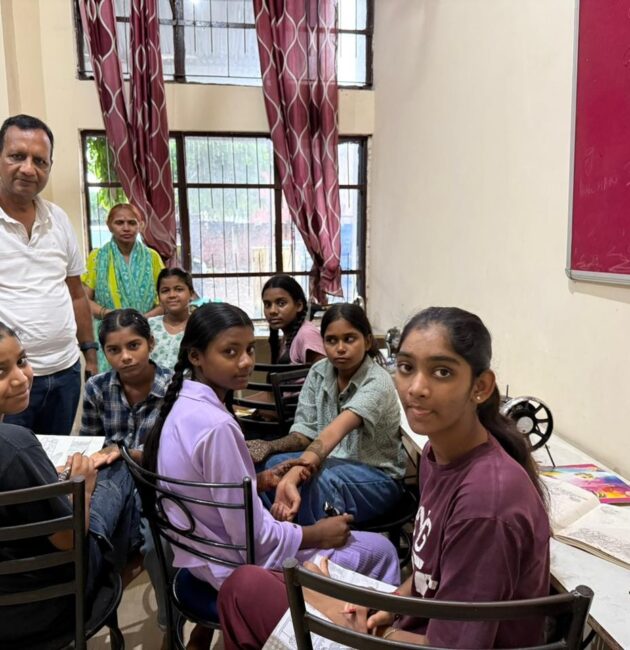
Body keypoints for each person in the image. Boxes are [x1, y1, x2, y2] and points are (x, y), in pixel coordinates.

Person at [219, 306, 551, 649]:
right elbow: (427, 571)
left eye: (442, 372)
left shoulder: (485, 504)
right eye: (406, 368)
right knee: (259, 581)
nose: (416, 388)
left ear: (480, 387)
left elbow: (454, 646)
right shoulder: (436, 454)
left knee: (244, 592)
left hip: (425, 639)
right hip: (414, 620)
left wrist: (363, 629)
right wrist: (387, 606)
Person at [142, 303, 401, 650]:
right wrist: (316, 534)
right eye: (230, 352)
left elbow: (217, 494)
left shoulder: (180, 406)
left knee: (300, 475)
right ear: (196, 356)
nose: (246, 361)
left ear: (368, 341)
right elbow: (254, 540)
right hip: (234, 563)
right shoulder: (219, 426)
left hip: (205, 556)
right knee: (382, 550)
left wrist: (264, 481)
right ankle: (340, 634)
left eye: (250, 350)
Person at [0, 321, 140, 649]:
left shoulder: (16, 450)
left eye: (22, 361)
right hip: (40, 610)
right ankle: (113, 572)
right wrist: (84, 487)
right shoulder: (15, 445)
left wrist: (49, 477)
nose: (20, 378)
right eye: (1, 371)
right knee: (116, 467)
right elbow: (68, 539)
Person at [250, 303, 406, 525]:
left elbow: (334, 431)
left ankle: (314, 540)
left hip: (378, 478)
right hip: (331, 462)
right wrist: (270, 446)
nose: (340, 348)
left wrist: (297, 471)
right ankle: (282, 530)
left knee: (318, 480)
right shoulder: (319, 371)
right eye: (331, 340)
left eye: (349, 339)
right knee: (271, 466)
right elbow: (305, 432)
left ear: (367, 341)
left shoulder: (377, 381)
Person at [0, 114, 97, 434]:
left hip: (66, 372)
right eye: (17, 156)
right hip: (10, 381)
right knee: (11, 461)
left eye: (40, 161)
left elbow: (76, 294)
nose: (29, 169)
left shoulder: (58, 219)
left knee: (53, 458)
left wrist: (90, 354)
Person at [79, 308, 173, 631]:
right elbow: (90, 444)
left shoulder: (174, 387)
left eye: (134, 346)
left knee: (159, 548)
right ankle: (89, 613)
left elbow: (178, 451)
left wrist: (126, 453)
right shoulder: (97, 387)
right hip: (113, 481)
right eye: (114, 350)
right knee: (95, 536)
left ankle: (169, 625)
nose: (125, 357)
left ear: (151, 343)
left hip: (157, 480)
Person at [82, 203, 164, 372]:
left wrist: (141, 318)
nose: (126, 228)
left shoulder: (152, 257)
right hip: (110, 334)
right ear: (109, 225)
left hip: (144, 332)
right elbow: (84, 300)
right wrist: (108, 314)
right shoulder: (97, 257)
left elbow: (165, 301)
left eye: (132, 223)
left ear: (141, 225)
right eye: (119, 223)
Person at [262, 274, 325, 365]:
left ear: (299, 305)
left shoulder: (307, 335)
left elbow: (324, 372)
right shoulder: (288, 336)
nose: (272, 311)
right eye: (267, 305)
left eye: (281, 303)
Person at [148, 268, 194, 369]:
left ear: (191, 293)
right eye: (165, 291)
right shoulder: (149, 326)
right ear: (159, 297)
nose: (172, 295)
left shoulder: (198, 326)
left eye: (179, 289)